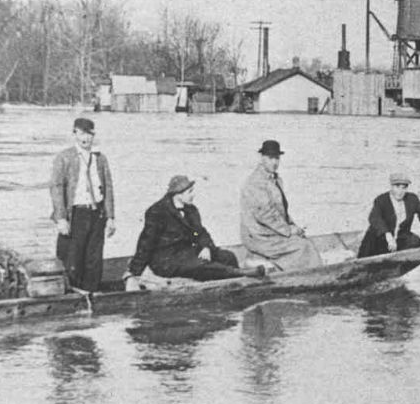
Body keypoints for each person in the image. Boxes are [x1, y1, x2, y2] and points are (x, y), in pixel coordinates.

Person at [124, 174, 265, 288]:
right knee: (203, 266)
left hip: (187, 253)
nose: (193, 195)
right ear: (178, 194)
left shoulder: (191, 210)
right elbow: (146, 243)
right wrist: (134, 272)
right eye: (190, 192)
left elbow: (201, 233)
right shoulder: (157, 212)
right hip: (165, 261)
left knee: (228, 257)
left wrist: (206, 247)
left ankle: (235, 281)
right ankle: (241, 274)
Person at [49, 117, 116, 291]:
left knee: (94, 258)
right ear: (74, 134)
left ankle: (92, 293)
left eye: (89, 134)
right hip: (75, 214)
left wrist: (110, 217)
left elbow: (108, 188)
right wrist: (61, 218)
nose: (85, 138)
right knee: (72, 257)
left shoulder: (100, 159)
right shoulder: (64, 158)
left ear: (94, 135)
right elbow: (56, 188)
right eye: (81, 134)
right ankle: (71, 294)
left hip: (96, 214)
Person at [239, 139, 324, 271]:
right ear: (262, 158)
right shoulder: (255, 182)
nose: (274, 162)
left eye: (277, 158)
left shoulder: (275, 180)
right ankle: (311, 279)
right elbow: (265, 214)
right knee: (304, 246)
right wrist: (289, 230)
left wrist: (294, 226)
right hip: (259, 237)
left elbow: (281, 211)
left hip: (271, 231)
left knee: (303, 239)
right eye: (270, 158)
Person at [357, 171, 420, 258]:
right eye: (397, 187)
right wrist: (388, 236)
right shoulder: (381, 200)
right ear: (391, 186)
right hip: (381, 238)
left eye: (403, 188)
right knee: (370, 247)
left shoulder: (412, 199)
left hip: (401, 238)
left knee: (416, 242)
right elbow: (374, 218)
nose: (400, 191)